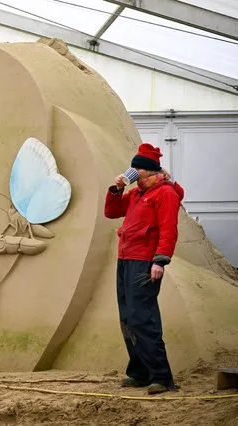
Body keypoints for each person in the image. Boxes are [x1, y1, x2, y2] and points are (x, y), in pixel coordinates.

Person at [104, 143, 185, 395]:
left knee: (143, 318)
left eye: (137, 168)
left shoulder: (165, 194)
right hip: (126, 259)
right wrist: (117, 190)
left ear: (148, 171)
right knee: (128, 318)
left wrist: (160, 261)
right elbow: (111, 212)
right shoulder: (137, 193)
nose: (133, 172)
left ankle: (161, 376)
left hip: (145, 261)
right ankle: (139, 373)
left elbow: (168, 229)